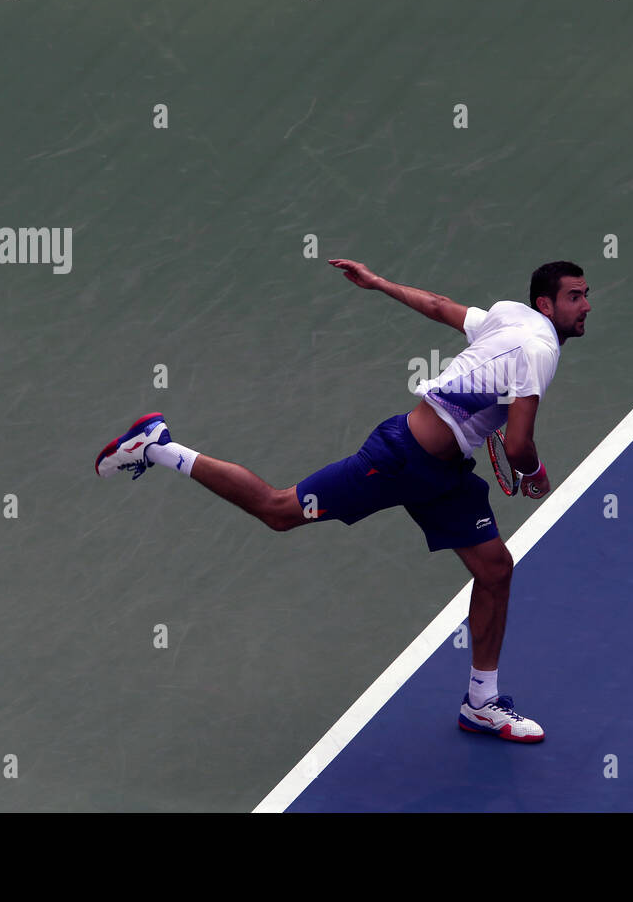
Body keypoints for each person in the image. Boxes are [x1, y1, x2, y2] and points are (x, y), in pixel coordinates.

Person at [95, 258, 590, 742]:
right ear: (545, 304)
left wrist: (378, 283)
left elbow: (440, 306)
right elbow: (518, 446)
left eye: (585, 294)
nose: (586, 305)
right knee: (278, 510)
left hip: (444, 474)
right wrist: (536, 476)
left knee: (496, 569)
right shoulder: (540, 349)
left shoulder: (508, 315)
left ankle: (481, 704)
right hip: (399, 461)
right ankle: (158, 447)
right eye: (575, 297)